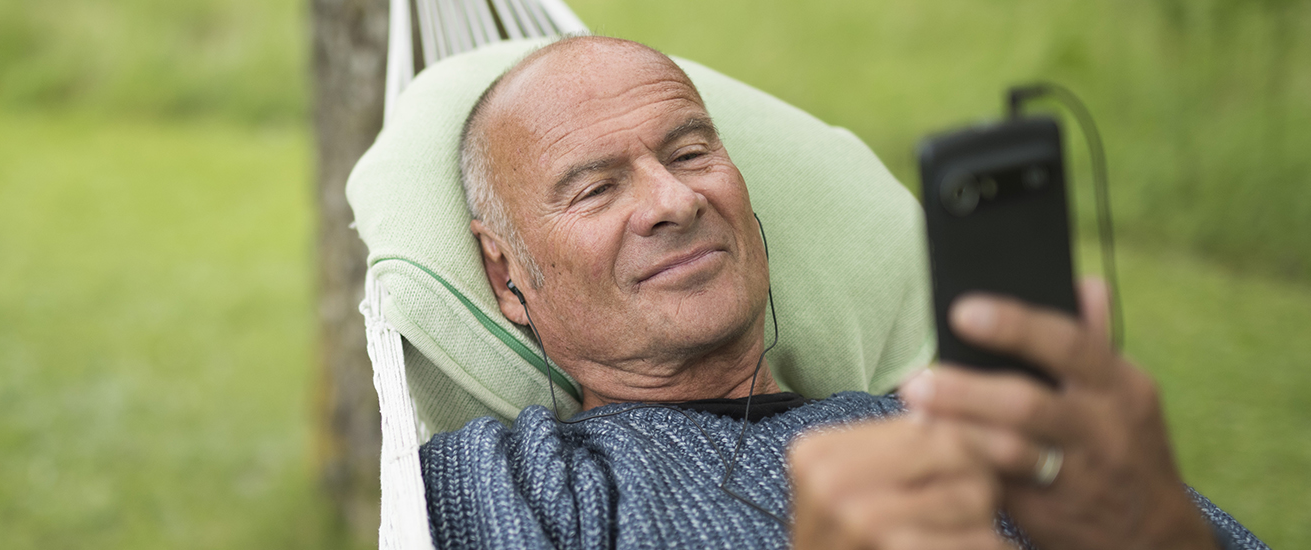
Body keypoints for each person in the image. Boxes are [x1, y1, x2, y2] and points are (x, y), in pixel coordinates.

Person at [418, 35, 1265, 550]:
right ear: (506, 278)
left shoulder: (978, 425)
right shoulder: (511, 484)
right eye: (597, 189)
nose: (675, 202)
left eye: (688, 154)